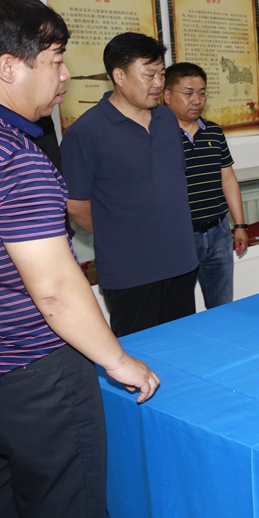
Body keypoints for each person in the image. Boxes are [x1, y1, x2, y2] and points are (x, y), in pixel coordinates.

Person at [0, 0, 159, 518]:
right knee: (65, 509)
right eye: (55, 60)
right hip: (35, 374)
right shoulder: (15, 157)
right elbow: (55, 287)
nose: (64, 76)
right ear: (9, 67)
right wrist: (117, 360)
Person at [61, 33, 198, 337]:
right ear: (119, 76)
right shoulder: (86, 132)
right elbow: (76, 206)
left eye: (161, 73)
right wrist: (122, 235)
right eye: (149, 74)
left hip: (181, 262)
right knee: (140, 353)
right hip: (131, 272)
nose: (158, 83)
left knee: (184, 348)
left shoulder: (166, 118)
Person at [162, 62, 248, 308]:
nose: (196, 100)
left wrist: (239, 225)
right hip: (179, 236)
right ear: (167, 96)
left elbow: (228, 179)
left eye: (201, 93)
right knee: (179, 309)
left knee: (222, 306)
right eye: (188, 93)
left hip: (218, 232)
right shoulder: (157, 135)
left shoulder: (214, 132)